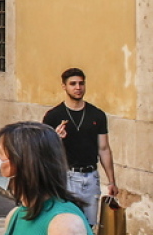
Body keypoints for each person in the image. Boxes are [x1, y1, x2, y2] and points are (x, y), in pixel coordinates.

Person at [41, 68, 117, 226]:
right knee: (68, 225)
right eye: (73, 84)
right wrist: (55, 138)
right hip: (66, 176)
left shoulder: (97, 115)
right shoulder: (53, 115)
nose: (78, 87)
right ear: (64, 86)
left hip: (91, 176)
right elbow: (45, 151)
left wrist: (111, 181)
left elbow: (104, 149)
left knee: (89, 226)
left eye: (81, 83)